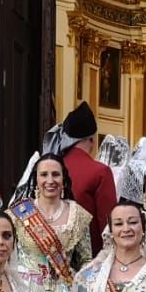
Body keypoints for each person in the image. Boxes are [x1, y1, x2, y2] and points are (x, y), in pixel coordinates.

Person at [9, 154, 93, 292]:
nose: (50, 180)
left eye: (55, 174)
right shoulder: (18, 214)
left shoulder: (78, 215)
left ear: (64, 179)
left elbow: (86, 262)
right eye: (44, 174)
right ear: (35, 179)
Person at [56, 101, 118, 250]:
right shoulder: (100, 172)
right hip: (89, 258)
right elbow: (107, 223)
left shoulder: (50, 168)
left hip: (52, 254)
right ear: (92, 140)